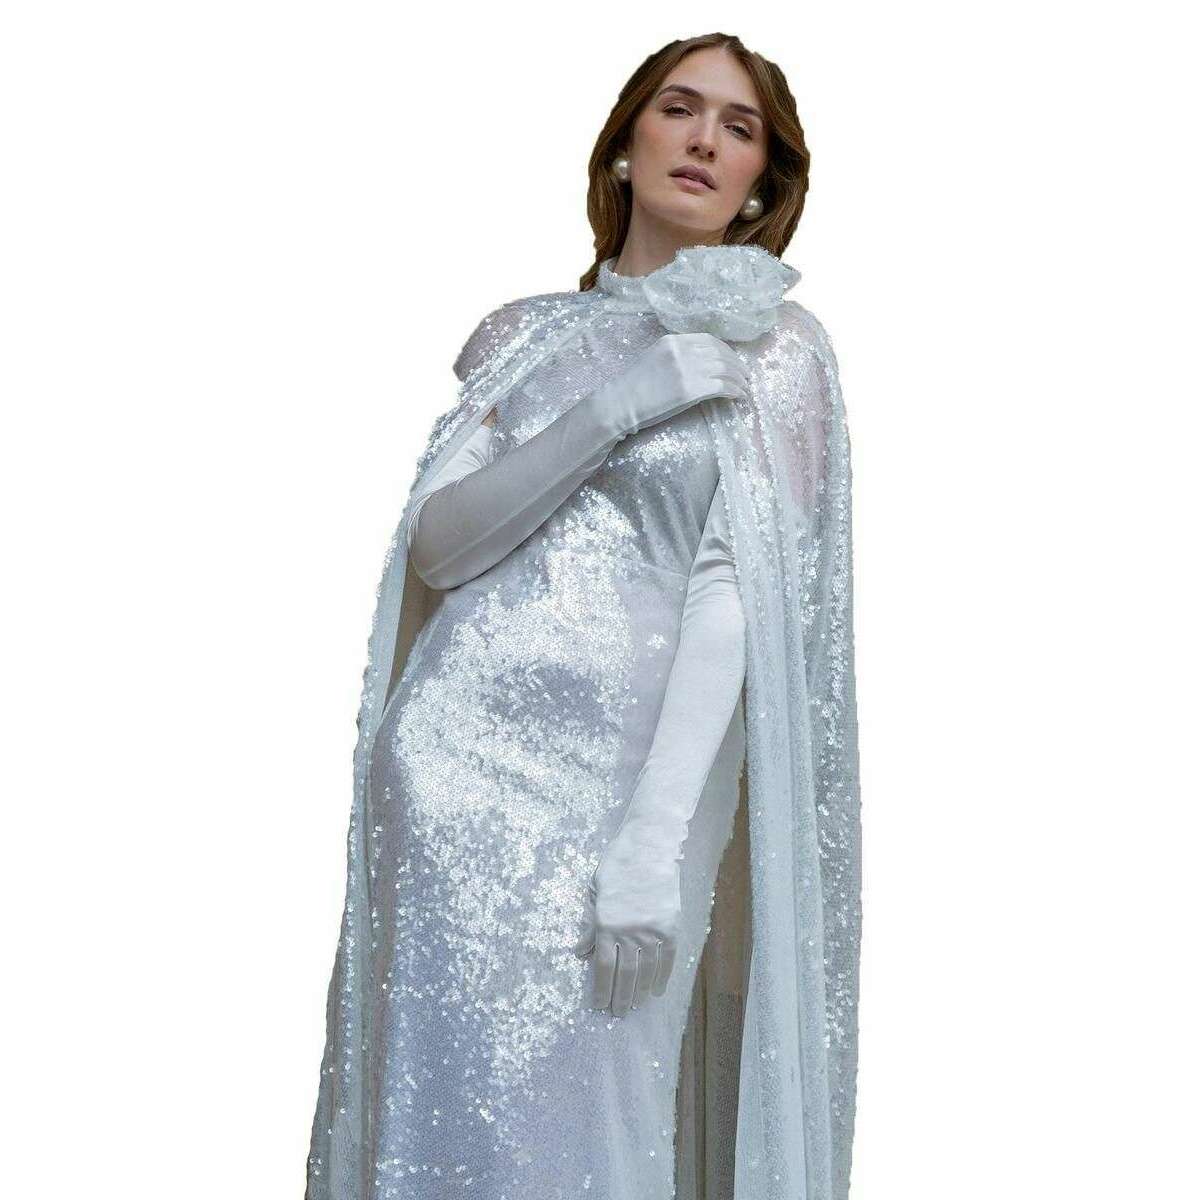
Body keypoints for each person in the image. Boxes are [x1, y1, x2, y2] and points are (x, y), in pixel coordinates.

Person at [304, 32, 861, 1200]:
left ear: (761, 184)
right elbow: (444, 546)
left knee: (596, 1121)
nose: (703, 139)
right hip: (453, 778)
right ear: (623, 146)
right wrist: (616, 407)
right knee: (438, 1123)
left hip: (629, 793)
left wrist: (654, 843)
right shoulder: (522, 338)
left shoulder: (779, 350)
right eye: (678, 108)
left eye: (739, 127)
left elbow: (736, 598)